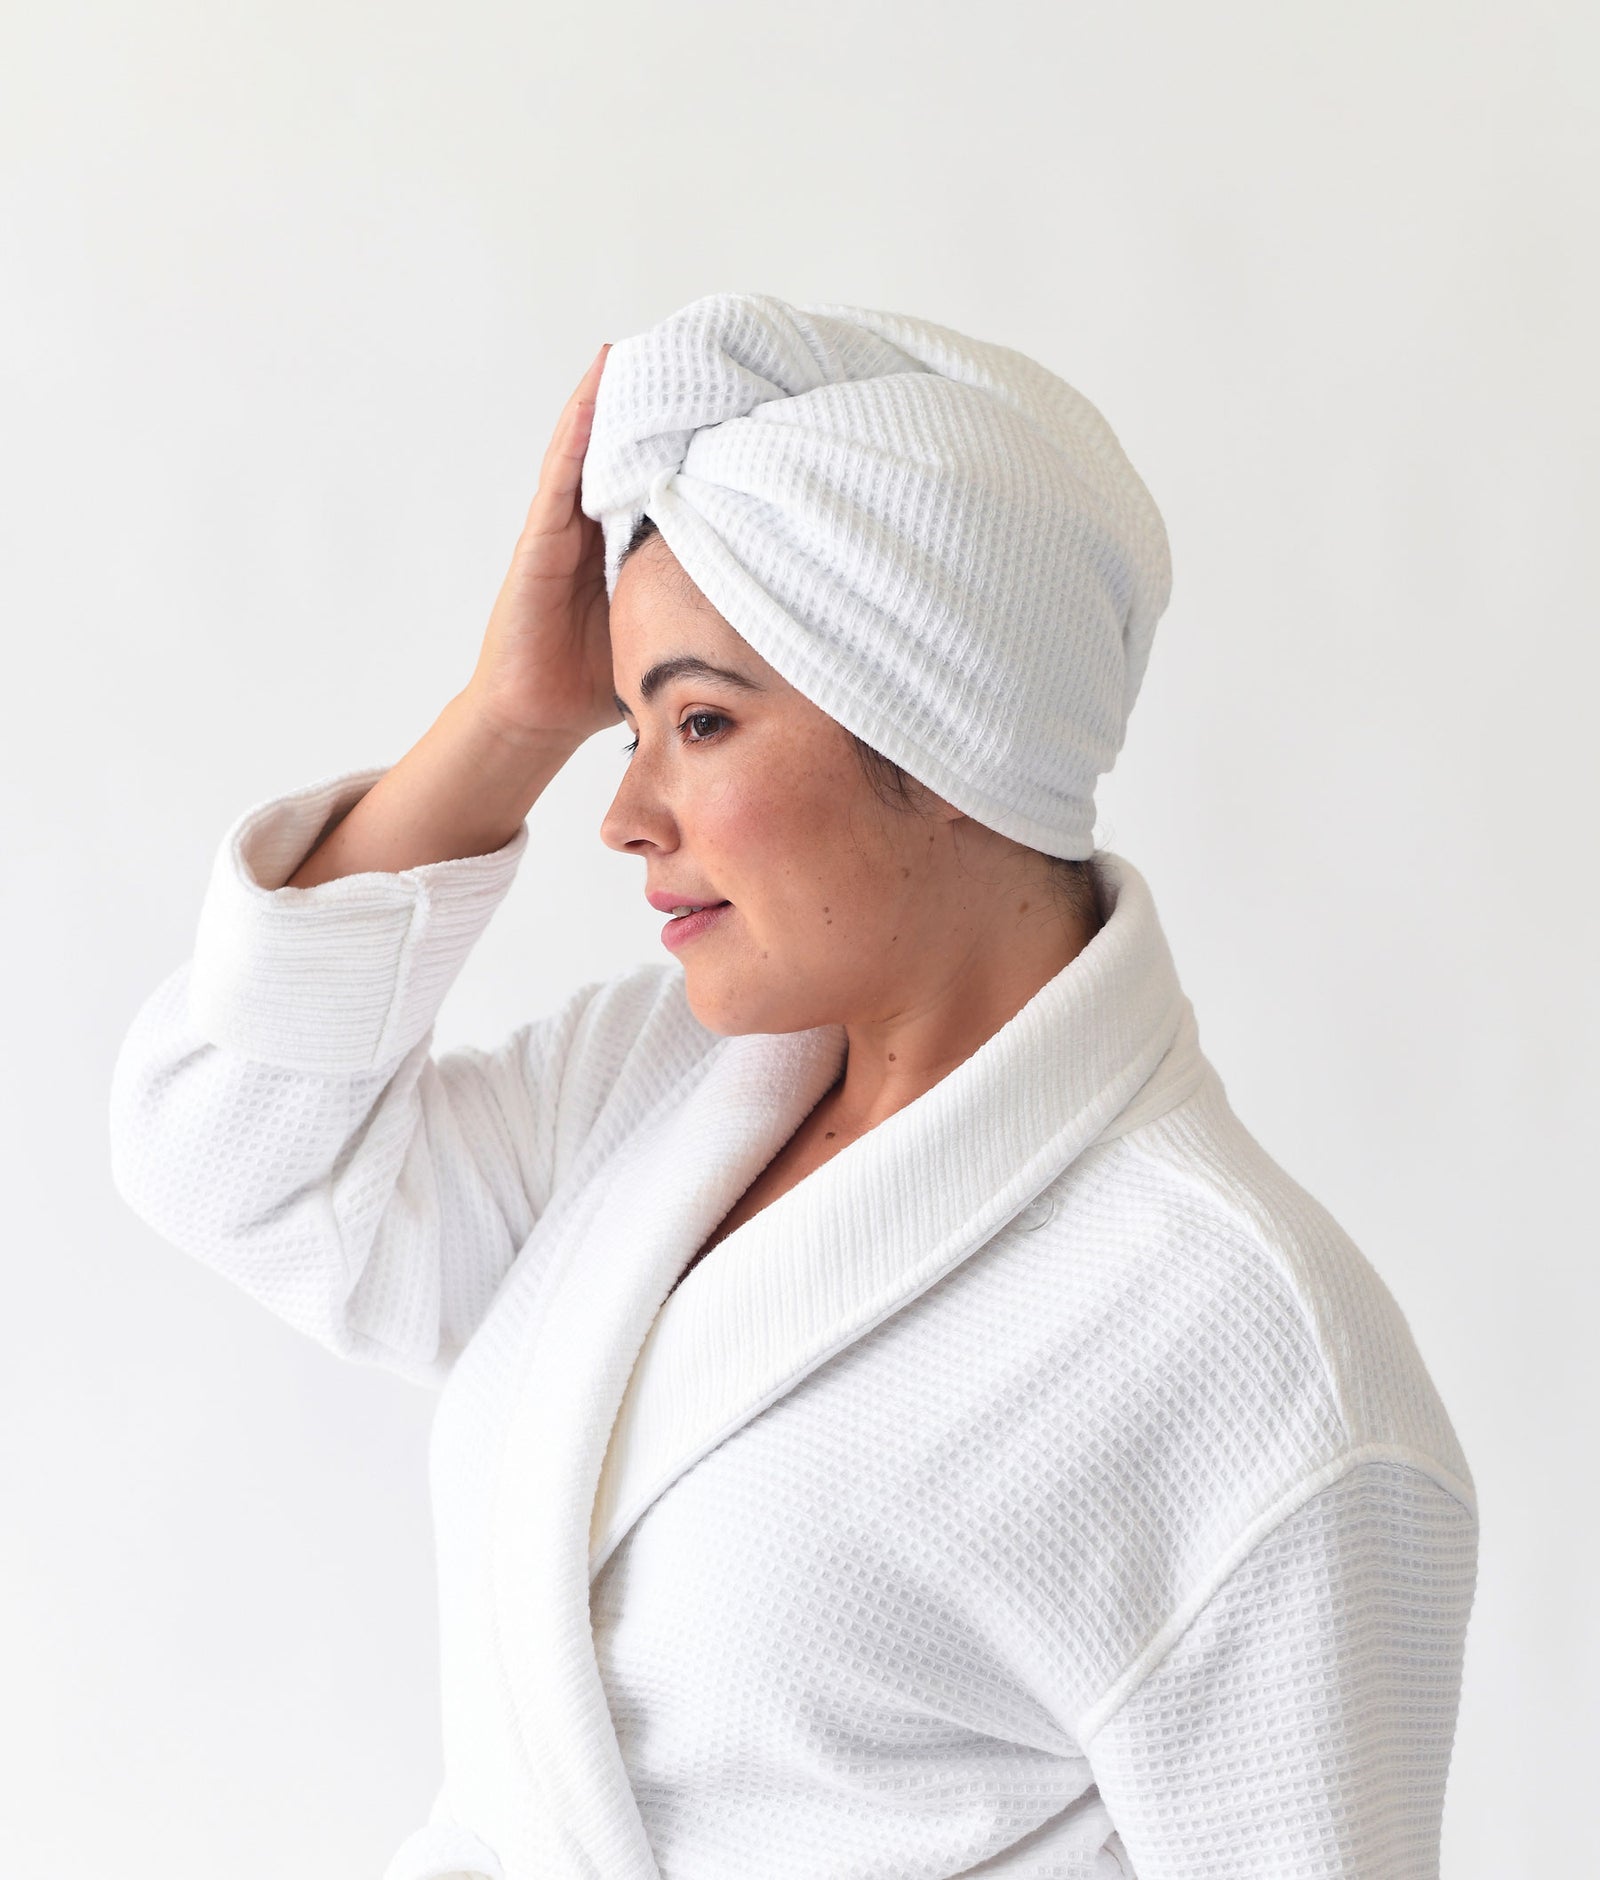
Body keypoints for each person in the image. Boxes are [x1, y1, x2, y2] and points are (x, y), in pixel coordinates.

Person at [109, 296, 1478, 1880]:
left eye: (696, 722)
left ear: (947, 730)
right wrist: (505, 721)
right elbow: (227, 1153)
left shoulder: (1250, 1355)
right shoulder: (656, 1088)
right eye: (625, 726)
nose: (622, 813)